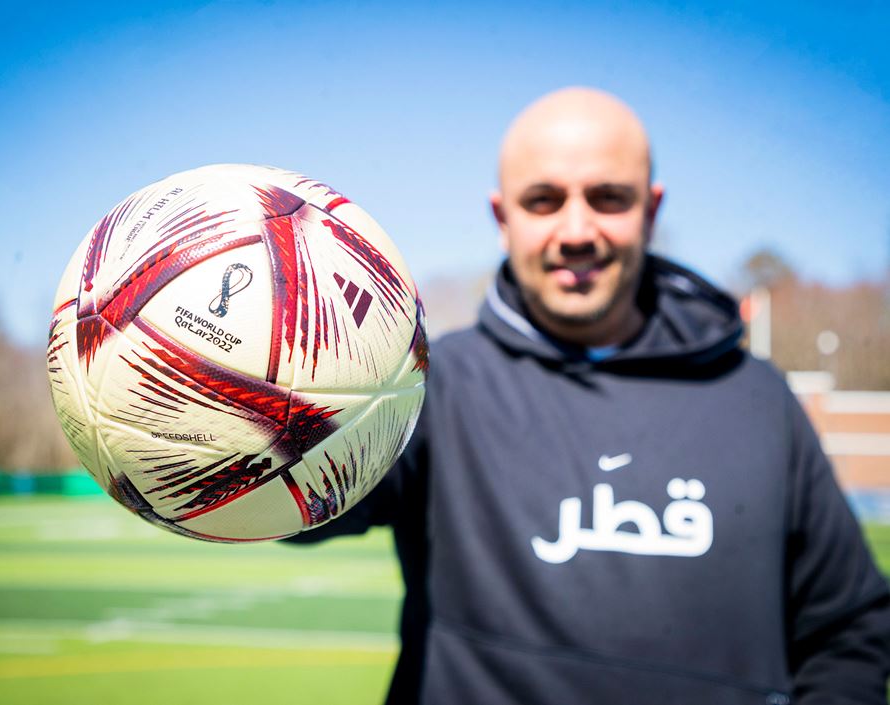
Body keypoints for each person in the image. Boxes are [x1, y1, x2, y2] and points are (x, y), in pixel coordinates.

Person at [292, 88, 890, 704]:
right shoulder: (429, 387)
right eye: (543, 200)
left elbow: (849, 629)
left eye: (608, 197)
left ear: (651, 210)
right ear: (502, 218)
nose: (576, 231)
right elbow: (291, 497)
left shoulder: (756, 397)